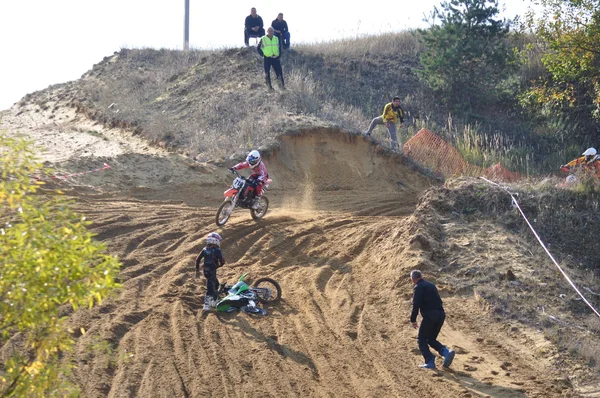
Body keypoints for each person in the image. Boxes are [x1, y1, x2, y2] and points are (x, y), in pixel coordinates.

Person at [409, 270, 455, 369]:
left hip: (430, 315)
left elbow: (416, 305)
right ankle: (446, 352)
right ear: (421, 276)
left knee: (421, 339)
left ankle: (429, 361)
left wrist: (413, 319)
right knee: (430, 339)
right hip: (441, 314)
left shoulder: (418, 287)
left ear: (413, 279)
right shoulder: (431, 285)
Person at [196, 232, 225, 311]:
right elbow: (222, 261)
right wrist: (218, 265)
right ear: (215, 241)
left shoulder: (204, 249)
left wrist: (197, 270)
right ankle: (207, 305)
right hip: (212, 271)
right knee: (210, 288)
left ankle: (214, 299)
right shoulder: (217, 250)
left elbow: (197, 259)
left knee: (216, 284)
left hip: (205, 271)